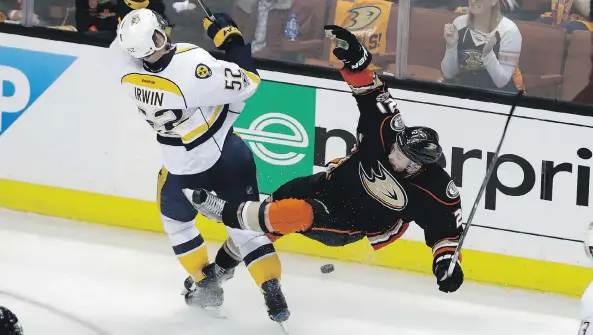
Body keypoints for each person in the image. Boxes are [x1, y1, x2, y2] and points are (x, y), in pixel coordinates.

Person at [185, 25, 466, 318]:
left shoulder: (436, 189)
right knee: (268, 217)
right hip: (328, 184)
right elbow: (371, 92)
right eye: (397, 149)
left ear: (421, 166)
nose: (395, 156)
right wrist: (357, 63)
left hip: (352, 222)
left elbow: (446, 233)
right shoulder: (387, 129)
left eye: (405, 160)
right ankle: (217, 274)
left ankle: (226, 212)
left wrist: (446, 263)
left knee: (296, 213)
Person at [111, 8, 287, 322]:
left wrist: (132, 11)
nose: (162, 32)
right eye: (157, 32)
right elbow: (249, 81)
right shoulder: (191, 65)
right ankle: (270, 285)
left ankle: (207, 286)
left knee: (177, 224)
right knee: (245, 227)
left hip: (182, 168)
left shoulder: (125, 74)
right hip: (230, 155)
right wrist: (231, 40)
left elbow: (123, 39)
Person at [441, 0, 523, 92]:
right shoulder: (459, 23)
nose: (473, 1)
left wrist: (488, 53)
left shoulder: (509, 31)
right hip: (463, 90)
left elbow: (501, 82)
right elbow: (448, 74)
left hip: (497, 96)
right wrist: (451, 46)